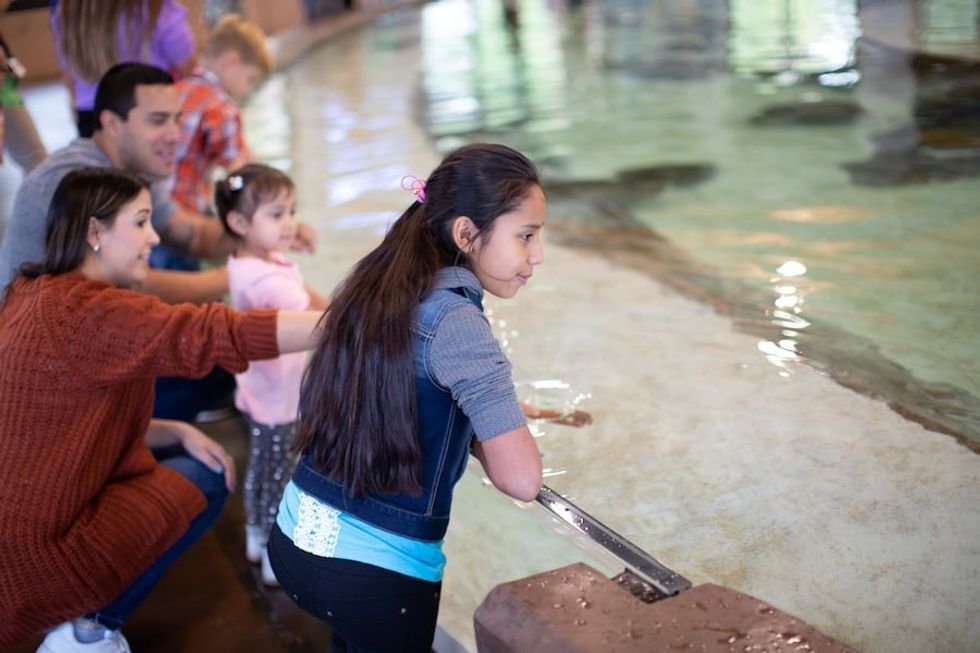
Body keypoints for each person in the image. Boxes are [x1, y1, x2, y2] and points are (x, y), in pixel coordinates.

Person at [0, 167, 324, 651]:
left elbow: (59, 420)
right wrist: (354, 323)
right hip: (38, 560)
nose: (153, 237)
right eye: (140, 222)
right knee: (210, 475)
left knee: (196, 447)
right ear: (94, 232)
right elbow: (222, 332)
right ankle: (87, 630)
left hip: (13, 543)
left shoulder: (30, 292)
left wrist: (170, 429)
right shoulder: (95, 311)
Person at [269, 143, 546, 653]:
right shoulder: (458, 323)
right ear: (466, 233)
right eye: (526, 236)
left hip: (293, 540)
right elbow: (522, 480)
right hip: (372, 578)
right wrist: (495, 417)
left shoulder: (375, 284)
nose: (537, 255)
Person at [214, 163, 329, 585]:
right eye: (277, 215)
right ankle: (272, 559)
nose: (291, 223)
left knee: (262, 469)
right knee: (280, 476)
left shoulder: (246, 261)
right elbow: (316, 321)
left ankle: (254, 536)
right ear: (240, 222)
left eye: (292, 211)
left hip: (256, 390)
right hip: (279, 400)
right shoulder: (271, 282)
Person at [154, 14, 272, 271]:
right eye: (250, 79)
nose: (247, 90)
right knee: (191, 293)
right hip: (183, 216)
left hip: (148, 210)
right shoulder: (223, 107)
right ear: (231, 61)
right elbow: (238, 178)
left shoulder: (176, 89)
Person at [50, 0, 197, 137]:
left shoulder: (68, 10)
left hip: (91, 115)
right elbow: (188, 71)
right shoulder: (158, 7)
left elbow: (69, 79)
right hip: (151, 115)